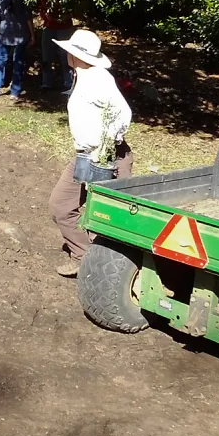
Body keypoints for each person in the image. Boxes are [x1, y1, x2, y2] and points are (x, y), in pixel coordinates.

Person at [47, 30, 133, 277]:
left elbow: (122, 114)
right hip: (85, 155)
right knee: (62, 205)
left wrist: (105, 147)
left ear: (74, 55)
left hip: (106, 156)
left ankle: (104, 268)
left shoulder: (98, 79)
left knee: (107, 216)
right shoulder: (83, 76)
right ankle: (84, 254)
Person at [38, 0, 74, 93]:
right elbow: (42, 10)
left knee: (66, 57)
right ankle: (46, 83)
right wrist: (46, 16)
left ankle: (68, 83)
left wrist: (66, 17)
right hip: (49, 28)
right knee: (47, 58)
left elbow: (74, 9)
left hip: (65, 29)